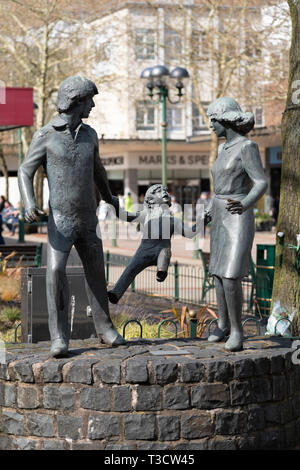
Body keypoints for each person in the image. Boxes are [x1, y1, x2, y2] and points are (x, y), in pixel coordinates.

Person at [18, 75, 125, 357]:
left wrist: (109, 197)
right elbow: (25, 170)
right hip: (60, 221)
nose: (92, 105)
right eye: (89, 100)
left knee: (96, 273)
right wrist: (29, 201)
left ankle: (105, 328)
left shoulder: (90, 135)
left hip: (88, 218)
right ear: (75, 101)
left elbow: (98, 170)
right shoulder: (46, 135)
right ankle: (59, 337)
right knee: (54, 272)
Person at [206, 97, 267, 352]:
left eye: (214, 120)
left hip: (238, 214)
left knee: (231, 274)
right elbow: (218, 186)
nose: (211, 125)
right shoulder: (222, 150)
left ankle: (238, 331)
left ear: (226, 121)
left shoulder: (247, 147)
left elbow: (261, 182)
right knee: (218, 274)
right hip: (220, 214)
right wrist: (210, 208)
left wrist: (246, 204)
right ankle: (223, 324)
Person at [107, 184, 205, 304]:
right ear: (150, 199)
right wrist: (115, 206)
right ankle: (116, 293)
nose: (164, 192)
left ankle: (162, 271)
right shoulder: (145, 215)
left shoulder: (174, 221)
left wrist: (203, 221)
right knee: (130, 270)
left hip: (162, 250)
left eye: (165, 190)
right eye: (159, 191)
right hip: (144, 251)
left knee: (165, 253)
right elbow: (125, 216)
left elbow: (190, 233)